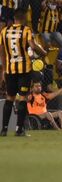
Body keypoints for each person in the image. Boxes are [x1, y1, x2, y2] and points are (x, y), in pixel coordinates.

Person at [0, 8, 48, 137]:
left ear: (14, 18)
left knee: (9, 98)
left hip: (10, 70)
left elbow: (2, 52)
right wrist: (43, 52)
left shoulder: (4, 32)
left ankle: (4, 129)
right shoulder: (26, 30)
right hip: (24, 70)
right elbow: (32, 46)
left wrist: (4, 70)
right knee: (23, 98)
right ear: (24, 18)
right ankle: (19, 129)